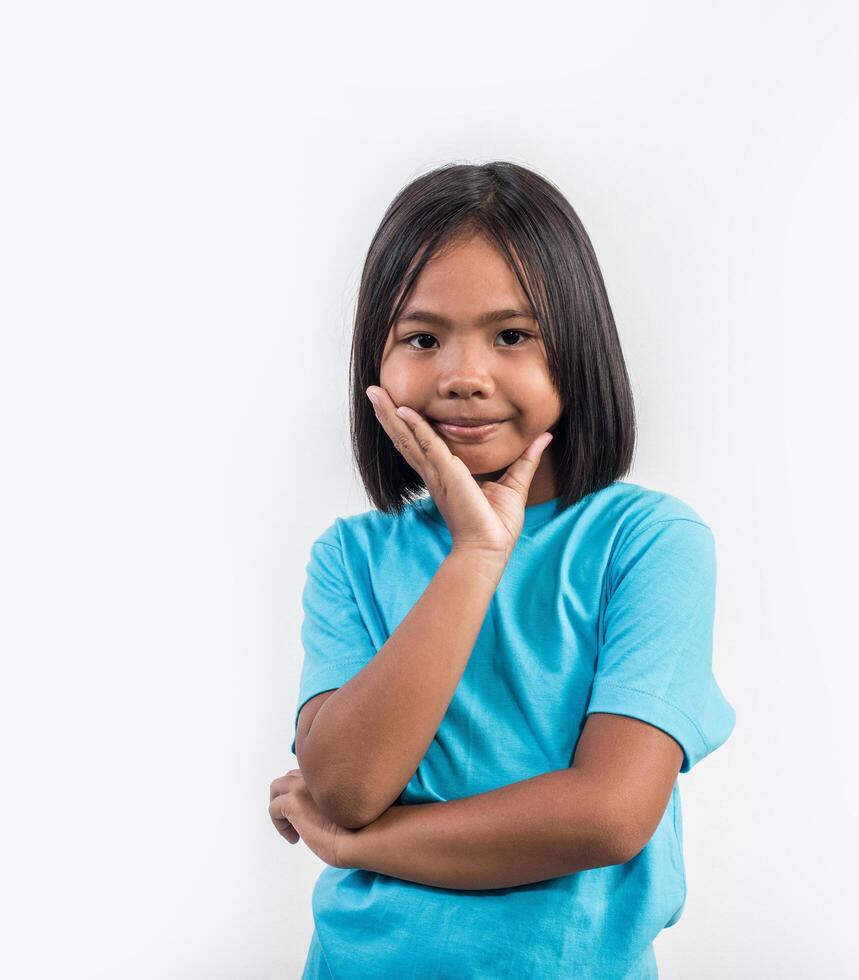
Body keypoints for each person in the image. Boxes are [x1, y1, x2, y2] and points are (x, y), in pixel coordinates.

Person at [267, 161, 737, 979]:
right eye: (422, 338)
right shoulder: (350, 556)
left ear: (577, 348)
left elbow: (606, 815)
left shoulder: (647, 542)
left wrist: (359, 845)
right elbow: (341, 783)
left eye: (511, 336)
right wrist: (476, 556)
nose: (462, 375)